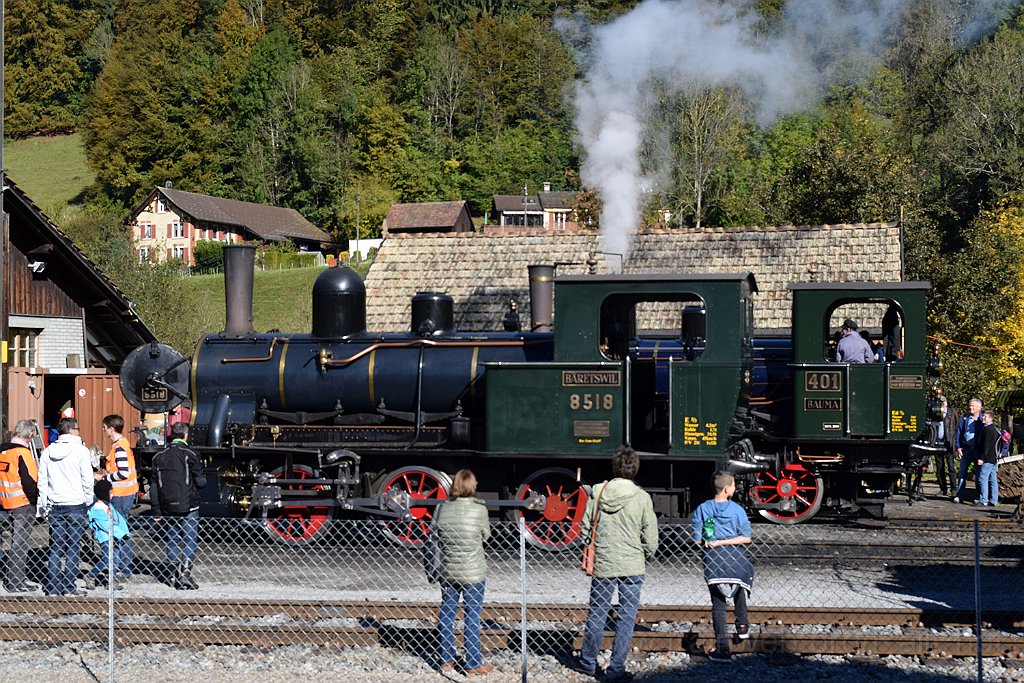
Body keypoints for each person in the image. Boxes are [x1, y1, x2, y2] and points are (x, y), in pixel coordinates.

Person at [571, 447, 658, 683]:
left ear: (614, 468)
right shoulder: (641, 497)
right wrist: (647, 554)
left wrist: (591, 546)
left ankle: (588, 662)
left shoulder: (599, 493)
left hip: (604, 563)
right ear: (635, 469)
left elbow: (586, 527)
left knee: (597, 614)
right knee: (626, 617)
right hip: (632, 564)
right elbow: (650, 536)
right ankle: (616, 668)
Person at [433, 469, 493, 676]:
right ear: (471, 486)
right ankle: (472, 664)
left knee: (447, 615)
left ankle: (446, 660)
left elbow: (435, 536)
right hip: (473, 572)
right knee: (472, 618)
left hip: (448, 572)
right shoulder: (480, 510)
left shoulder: (441, 508)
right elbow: (485, 536)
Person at [691, 471, 754, 663]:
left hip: (714, 562)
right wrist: (726, 541)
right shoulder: (737, 510)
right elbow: (746, 537)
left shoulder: (703, 509)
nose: (735, 488)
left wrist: (712, 542)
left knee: (718, 605)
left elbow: (697, 539)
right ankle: (742, 625)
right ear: (727, 489)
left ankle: (722, 647)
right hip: (736, 560)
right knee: (740, 588)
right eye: (734, 485)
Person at [36, 418, 94, 597]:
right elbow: (87, 479)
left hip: (55, 505)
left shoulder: (48, 451)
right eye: (77, 428)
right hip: (76, 504)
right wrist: (88, 500)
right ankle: (69, 587)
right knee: (73, 547)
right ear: (71, 430)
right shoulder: (81, 451)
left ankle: (53, 588)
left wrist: (43, 505)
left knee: (56, 547)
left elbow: (42, 481)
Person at [150, 422, 206, 590]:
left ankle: (174, 575)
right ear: (186, 436)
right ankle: (185, 574)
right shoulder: (191, 454)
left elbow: (153, 486)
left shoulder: (157, 457)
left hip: (167, 506)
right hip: (189, 505)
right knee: (189, 539)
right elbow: (201, 482)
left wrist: (156, 510)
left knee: (172, 539)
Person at [0, 420, 40, 592]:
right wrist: (34, 502)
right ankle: (15, 582)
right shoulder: (23, 453)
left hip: (3, 502)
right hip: (21, 504)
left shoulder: (2, 451)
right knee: (19, 544)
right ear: (30, 435)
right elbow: (30, 482)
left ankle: (12, 579)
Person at [98, 415, 138, 580]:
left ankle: (123, 567)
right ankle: (123, 566)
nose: (103, 430)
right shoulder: (120, 445)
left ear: (111, 429)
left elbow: (122, 473)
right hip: (124, 494)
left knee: (119, 531)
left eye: (104, 427)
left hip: (121, 495)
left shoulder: (120, 447)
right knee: (121, 529)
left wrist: (103, 478)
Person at [84, 480, 130, 590]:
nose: (112, 494)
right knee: (107, 560)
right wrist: (121, 534)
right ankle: (91, 575)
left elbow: (117, 520)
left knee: (116, 560)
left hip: (115, 537)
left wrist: (123, 532)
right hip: (106, 538)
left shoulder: (107, 505)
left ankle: (111, 581)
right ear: (104, 494)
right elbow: (106, 525)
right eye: (110, 492)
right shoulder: (98, 509)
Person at [953, 398, 983, 503]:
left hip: (977, 450)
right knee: (962, 473)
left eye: (973, 406)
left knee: (979, 474)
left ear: (979, 407)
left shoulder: (982, 419)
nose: (971, 407)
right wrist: (958, 446)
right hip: (966, 449)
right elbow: (959, 432)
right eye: (970, 405)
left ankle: (978, 497)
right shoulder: (964, 418)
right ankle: (959, 495)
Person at [935, 397, 960, 497]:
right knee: (939, 467)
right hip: (938, 442)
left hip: (949, 442)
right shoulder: (935, 413)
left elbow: (957, 427)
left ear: (946, 403)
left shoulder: (952, 413)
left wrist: (956, 442)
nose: (940, 404)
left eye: (942, 402)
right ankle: (942, 488)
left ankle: (953, 489)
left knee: (951, 467)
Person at [975, 411, 1001, 507]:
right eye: (983, 416)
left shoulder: (987, 430)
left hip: (987, 458)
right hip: (994, 458)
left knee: (982, 478)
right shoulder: (994, 429)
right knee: (993, 479)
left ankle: (983, 500)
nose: (983, 418)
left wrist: (982, 458)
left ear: (990, 418)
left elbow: (986, 445)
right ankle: (994, 500)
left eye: (985, 417)